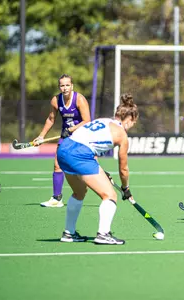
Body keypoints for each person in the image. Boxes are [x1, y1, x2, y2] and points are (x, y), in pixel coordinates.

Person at [56, 93, 138, 245]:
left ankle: (69, 233)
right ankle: (103, 234)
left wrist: (100, 171)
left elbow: (89, 145)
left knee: (79, 192)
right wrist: (125, 188)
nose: (132, 126)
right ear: (130, 119)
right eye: (134, 122)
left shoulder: (103, 121)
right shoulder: (122, 135)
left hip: (63, 149)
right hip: (80, 155)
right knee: (110, 195)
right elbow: (123, 169)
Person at [33, 74, 91, 208]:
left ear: (72, 86)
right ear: (59, 87)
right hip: (66, 136)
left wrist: (72, 129)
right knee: (57, 164)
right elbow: (51, 119)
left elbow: (87, 120)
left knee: (86, 166)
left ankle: (103, 187)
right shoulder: (56, 100)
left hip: (82, 135)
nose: (64, 88)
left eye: (67, 85)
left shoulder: (79, 99)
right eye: (62, 85)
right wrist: (41, 136)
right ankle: (56, 198)